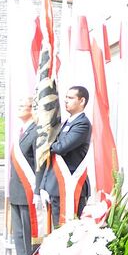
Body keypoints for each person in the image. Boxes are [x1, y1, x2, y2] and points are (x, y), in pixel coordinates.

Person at [39, 86, 91, 228]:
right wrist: (44, 185)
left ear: (82, 101)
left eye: (71, 98)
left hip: (71, 186)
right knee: (56, 231)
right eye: (66, 97)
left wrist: (47, 144)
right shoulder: (67, 123)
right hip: (56, 186)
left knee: (67, 232)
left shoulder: (82, 124)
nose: (66, 101)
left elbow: (62, 147)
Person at [4, 97, 41, 255]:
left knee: (28, 236)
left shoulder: (36, 132)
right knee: (18, 235)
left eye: (21, 106)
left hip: (27, 191)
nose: (18, 109)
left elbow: (38, 164)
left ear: (31, 109)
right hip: (17, 190)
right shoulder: (22, 132)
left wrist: (37, 190)